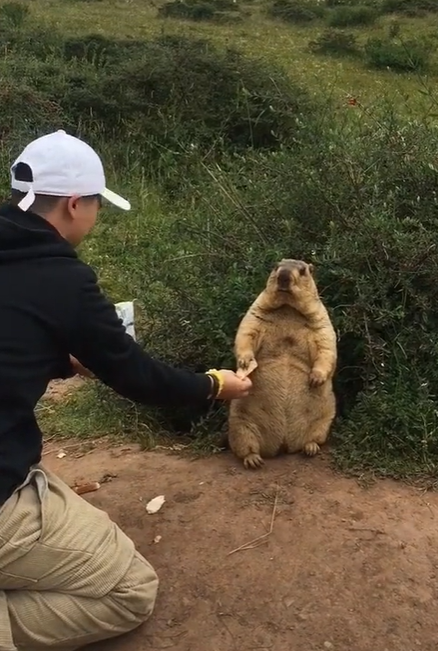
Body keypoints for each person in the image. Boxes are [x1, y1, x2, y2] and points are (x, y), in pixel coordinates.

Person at [0, 130, 252, 651]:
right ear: (74, 204)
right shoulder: (61, 279)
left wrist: (59, 361)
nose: (94, 217)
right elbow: (138, 376)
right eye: (95, 205)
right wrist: (213, 385)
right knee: (128, 590)